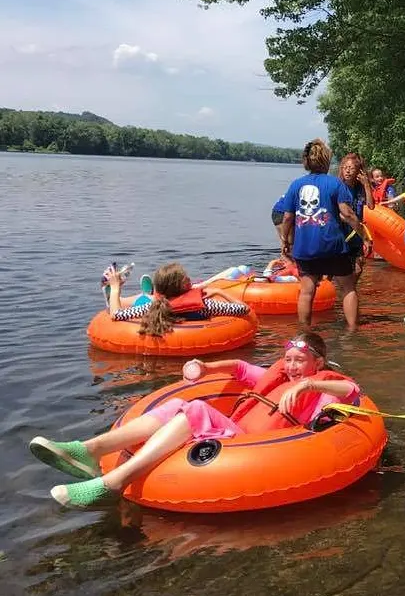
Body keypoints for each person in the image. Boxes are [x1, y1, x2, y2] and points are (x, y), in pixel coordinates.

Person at [29, 331, 360, 508]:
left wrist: (309, 383)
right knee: (178, 403)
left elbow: (351, 391)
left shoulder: (321, 389)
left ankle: (114, 482)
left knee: (195, 410)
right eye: (287, 360)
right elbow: (242, 370)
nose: (290, 367)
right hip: (236, 432)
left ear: (318, 363)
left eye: (299, 361)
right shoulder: (278, 378)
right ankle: (91, 449)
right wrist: (208, 368)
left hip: (255, 447)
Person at [281, 139, 372, 330]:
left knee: (307, 291)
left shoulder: (296, 185)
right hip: (333, 246)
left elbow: (287, 217)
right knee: (348, 288)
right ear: (327, 161)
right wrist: (364, 236)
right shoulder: (335, 184)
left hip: (305, 248)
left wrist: (285, 241)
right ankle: (352, 331)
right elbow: (347, 214)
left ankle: (304, 332)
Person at [105, 263, 250, 335]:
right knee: (145, 298)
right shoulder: (207, 305)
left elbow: (116, 314)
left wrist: (116, 288)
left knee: (144, 299)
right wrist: (219, 292)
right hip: (194, 326)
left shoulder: (155, 306)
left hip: (153, 303)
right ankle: (145, 293)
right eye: (186, 279)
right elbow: (244, 309)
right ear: (182, 287)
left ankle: (117, 296)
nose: (189, 278)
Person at [338, 152, 375, 285]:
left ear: (358, 171)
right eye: (345, 167)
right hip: (341, 232)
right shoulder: (338, 186)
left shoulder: (361, 188)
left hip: (356, 233)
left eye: (351, 168)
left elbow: (371, 206)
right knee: (335, 269)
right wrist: (348, 219)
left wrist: (366, 185)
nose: (347, 171)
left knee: (359, 268)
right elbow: (337, 212)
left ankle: (348, 292)